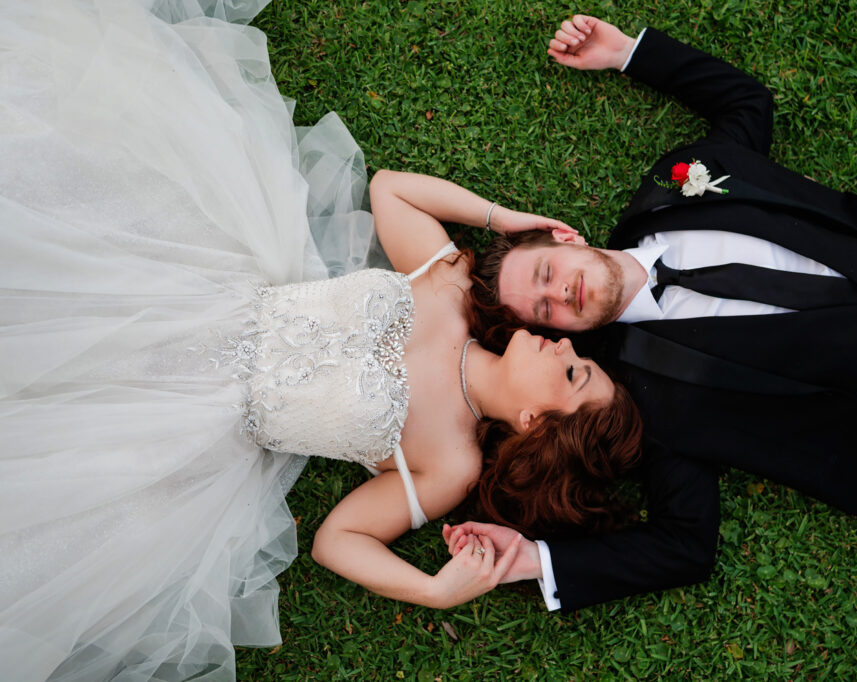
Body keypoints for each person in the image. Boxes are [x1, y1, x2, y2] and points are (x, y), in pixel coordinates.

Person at [0, 2, 641, 679]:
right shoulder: (452, 290)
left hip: (185, 423)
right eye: (580, 357)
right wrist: (505, 219)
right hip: (198, 290)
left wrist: (431, 589)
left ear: (535, 422)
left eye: (574, 376)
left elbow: (339, 540)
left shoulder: (452, 465)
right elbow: (392, 192)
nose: (568, 348)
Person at [445, 14, 857, 612]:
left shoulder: (674, 188)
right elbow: (685, 542)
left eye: (547, 275)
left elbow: (747, 103)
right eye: (543, 312)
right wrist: (535, 559)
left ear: (565, 240)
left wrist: (630, 53)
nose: (560, 296)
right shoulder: (648, 396)